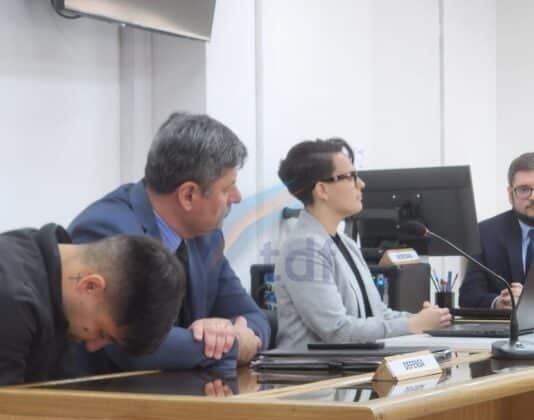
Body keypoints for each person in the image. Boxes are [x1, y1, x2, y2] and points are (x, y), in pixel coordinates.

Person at [69, 112, 270, 371]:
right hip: (98, 392)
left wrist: (234, 334)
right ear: (188, 195)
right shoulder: (108, 230)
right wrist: (230, 344)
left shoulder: (206, 237)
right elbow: (131, 343)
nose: (237, 197)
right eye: (227, 188)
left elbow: (253, 317)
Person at [275, 138, 451, 350]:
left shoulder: (346, 244)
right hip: (316, 369)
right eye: (351, 177)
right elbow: (337, 331)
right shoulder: (303, 250)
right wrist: (413, 324)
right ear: (322, 190)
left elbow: (378, 314)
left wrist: (424, 318)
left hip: (351, 364)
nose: (361, 184)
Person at [0, 223, 184, 385]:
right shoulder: (12, 305)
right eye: (102, 333)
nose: (92, 346)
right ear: (90, 286)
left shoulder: (48, 264)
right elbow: (10, 411)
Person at [459, 152, 534, 309]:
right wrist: (498, 302)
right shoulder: (485, 233)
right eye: (524, 189)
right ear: (510, 195)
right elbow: (468, 295)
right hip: (504, 323)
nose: (532, 197)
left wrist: (529, 300)